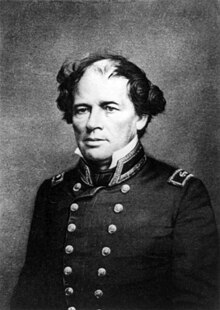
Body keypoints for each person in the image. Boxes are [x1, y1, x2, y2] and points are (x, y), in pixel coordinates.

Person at [11, 53, 219, 310]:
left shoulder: (181, 193)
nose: (92, 123)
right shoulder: (52, 191)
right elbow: (28, 297)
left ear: (140, 117)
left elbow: (199, 303)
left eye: (109, 108)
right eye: (82, 109)